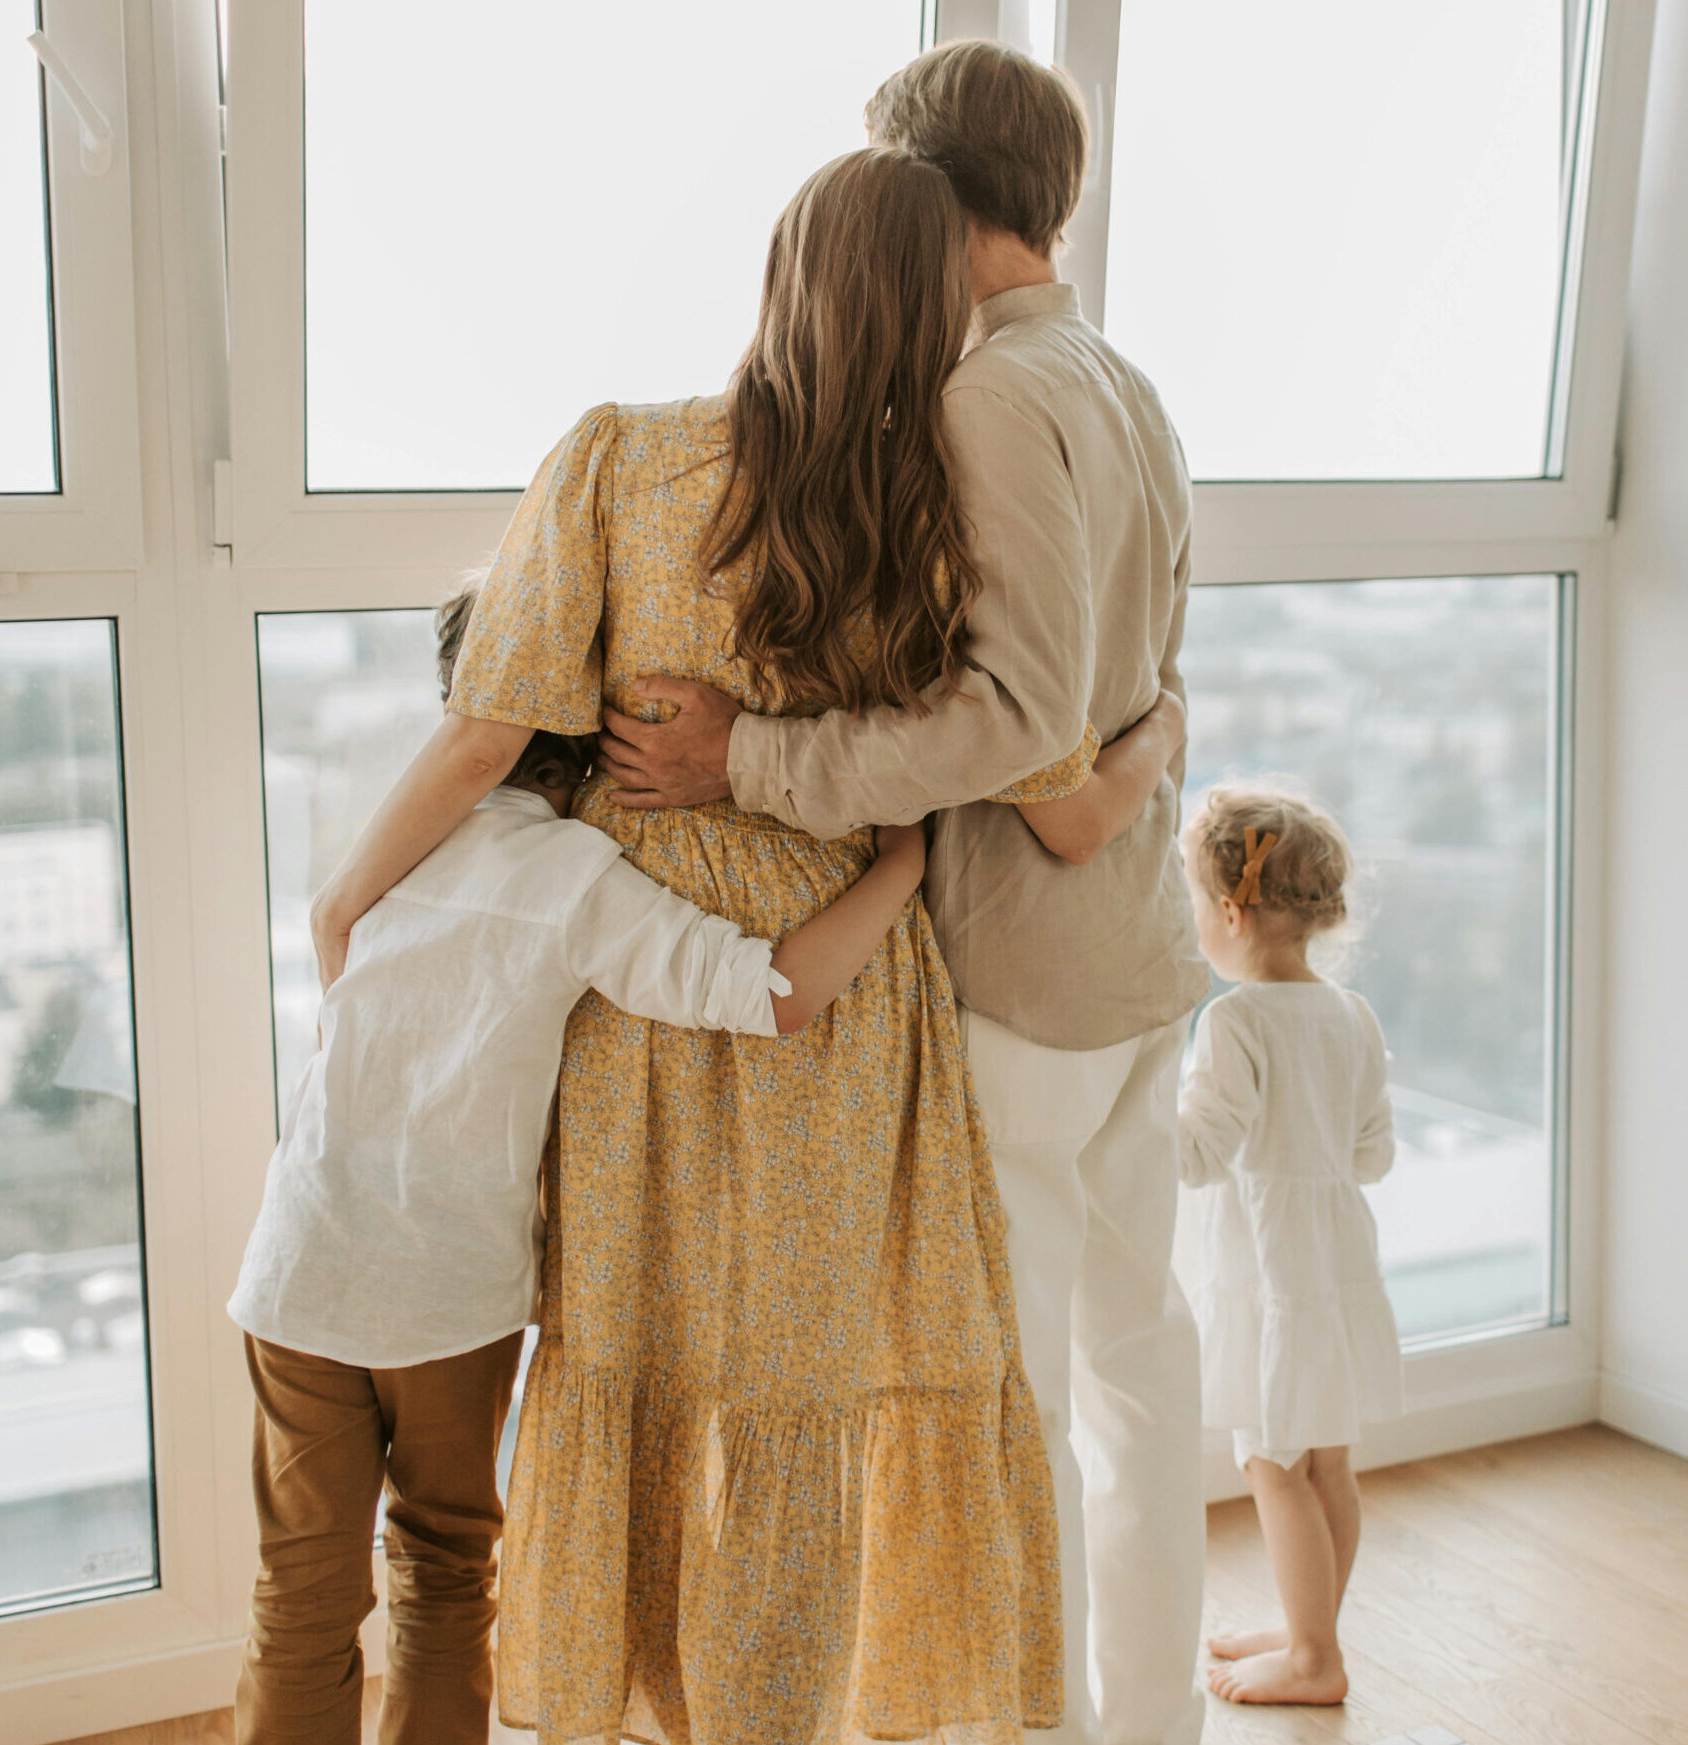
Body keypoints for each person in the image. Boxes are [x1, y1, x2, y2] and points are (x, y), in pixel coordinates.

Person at [307, 145, 1196, 1744]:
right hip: (846, 998)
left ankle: (647, 1711)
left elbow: (484, 728)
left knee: (635, 1366)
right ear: (936, 307)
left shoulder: (618, 456)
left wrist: (345, 897)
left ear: (775, 273)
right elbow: (1053, 781)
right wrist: (1161, 736)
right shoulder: (926, 515)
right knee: (799, 1399)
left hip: (643, 996)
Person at [599, 41, 1209, 1745]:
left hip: (1021, 980)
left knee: (1011, 1407)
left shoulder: (988, 397)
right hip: (1134, 955)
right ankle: (1150, 1723)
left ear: (932, 196)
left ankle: (1041, 1729)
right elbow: (1144, 674)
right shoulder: (1121, 379)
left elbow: (1013, 712)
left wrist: (749, 760)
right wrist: (1137, 768)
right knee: (1140, 1374)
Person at [228, 588, 930, 1745]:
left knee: (298, 1594)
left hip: (301, 1259)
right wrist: (901, 859)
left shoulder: (393, 838)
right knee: (442, 1569)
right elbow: (774, 992)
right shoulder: (572, 876)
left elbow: (340, 949)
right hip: (444, 1290)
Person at [1176, 786, 1404, 1708]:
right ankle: (1313, 1628)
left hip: (1272, 1276)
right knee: (1325, 1464)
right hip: (1336, 1267)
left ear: (1230, 912)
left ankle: (1313, 1659)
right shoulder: (1352, 1014)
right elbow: (1372, 1155)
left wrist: (1139, 1103)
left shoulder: (1234, 1021)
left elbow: (1198, 1156)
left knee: (1272, 1464)